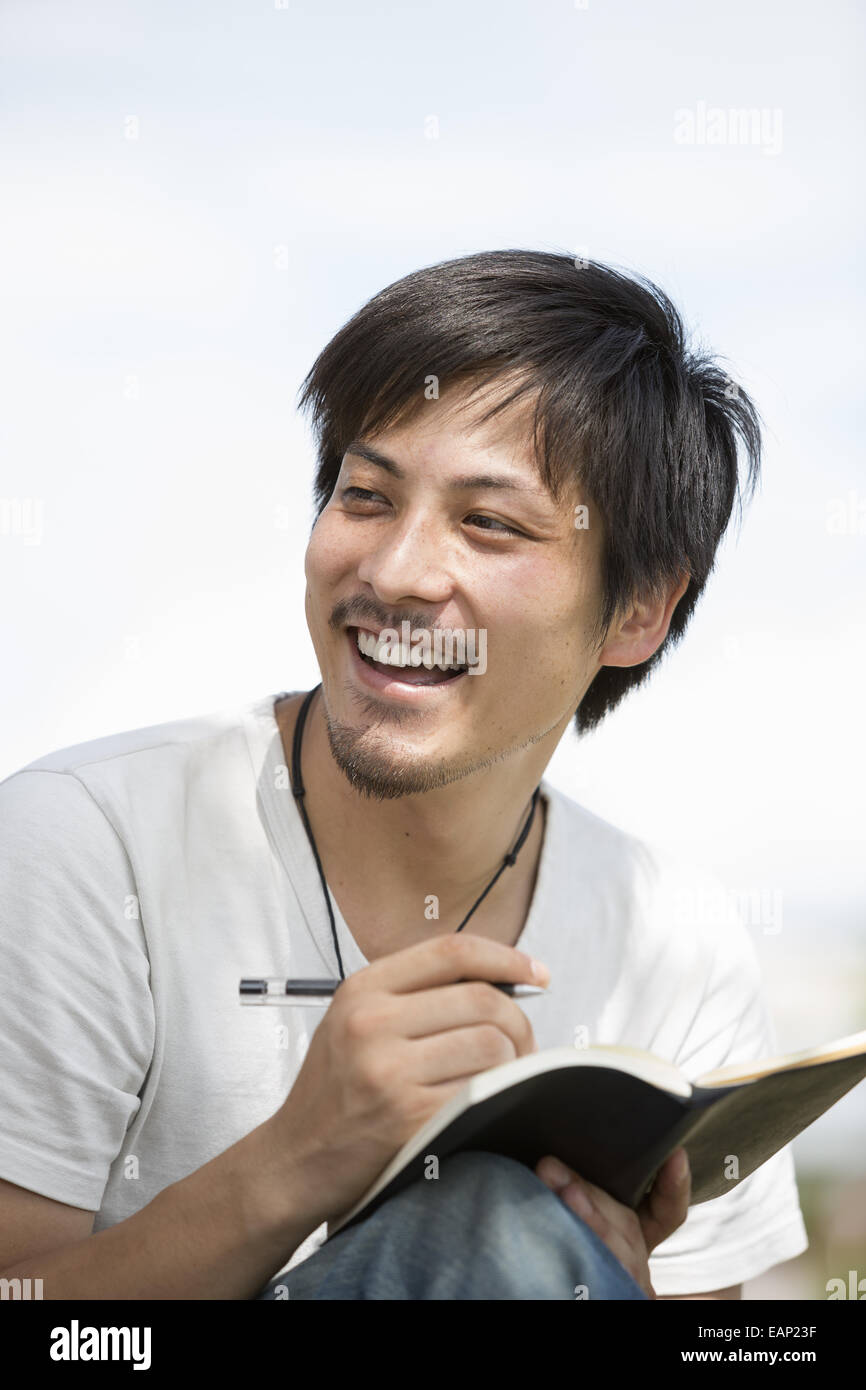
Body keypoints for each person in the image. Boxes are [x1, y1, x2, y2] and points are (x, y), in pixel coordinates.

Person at [0, 249, 808, 1300]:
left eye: (487, 523)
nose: (392, 573)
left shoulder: (673, 941)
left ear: (638, 609)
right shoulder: (81, 845)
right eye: (367, 495)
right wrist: (292, 1161)